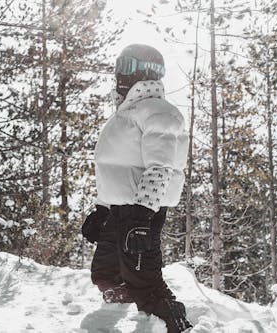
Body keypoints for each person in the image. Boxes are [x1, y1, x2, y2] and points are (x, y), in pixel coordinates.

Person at [82, 44, 191, 333]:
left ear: (148, 72)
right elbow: (119, 168)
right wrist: (102, 210)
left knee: (145, 281)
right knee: (105, 273)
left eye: (128, 66)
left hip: (141, 211)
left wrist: (142, 216)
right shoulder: (127, 113)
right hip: (120, 209)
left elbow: (160, 167)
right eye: (120, 66)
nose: (120, 74)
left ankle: (175, 323)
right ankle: (115, 317)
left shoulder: (160, 113)